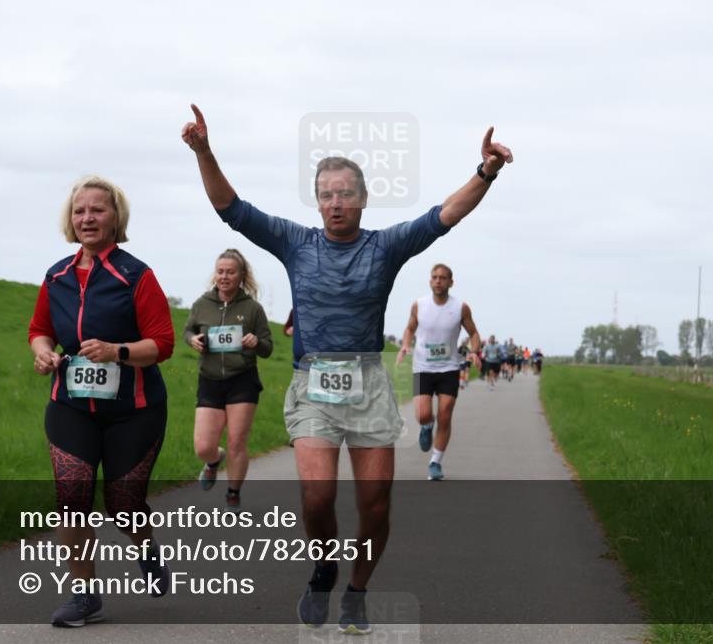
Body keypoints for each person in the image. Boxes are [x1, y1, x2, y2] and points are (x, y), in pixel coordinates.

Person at [181, 104, 513, 634]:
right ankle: (323, 569)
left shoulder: (385, 246)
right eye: (327, 193)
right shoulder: (295, 242)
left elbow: (444, 215)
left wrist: (485, 172)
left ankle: (356, 591)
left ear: (363, 198)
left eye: (346, 192)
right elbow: (231, 208)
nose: (336, 202)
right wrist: (203, 150)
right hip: (313, 382)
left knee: (375, 505)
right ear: (317, 201)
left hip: (368, 386)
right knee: (316, 496)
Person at [28, 175, 176, 627]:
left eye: (98, 209)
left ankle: (146, 551)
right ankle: (84, 595)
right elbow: (39, 330)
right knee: (72, 495)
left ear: (116, 218)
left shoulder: (136, 275)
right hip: (70, 406)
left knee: (123, 502)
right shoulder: (56, 276)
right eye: (79, 211)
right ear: (70, 220)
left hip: (134, 411)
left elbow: (164, 343)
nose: (87, 218)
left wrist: (118, 352)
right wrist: (43, 354)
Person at [184, 248, 273, 513]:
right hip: (210, 380)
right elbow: (188, 330)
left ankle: (233, 493)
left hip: (242, 380)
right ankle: (213, 461)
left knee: (237, 440)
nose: (224, 277)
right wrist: (193, 340)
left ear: (241, 275)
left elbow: (267, 347)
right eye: (220, 271)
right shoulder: (202, 304)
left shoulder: (252, 308)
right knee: (203, 446)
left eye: (230, 272)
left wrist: (256, 342)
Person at [396, 264, 480, 480]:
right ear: (430, 280)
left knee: (445, 414)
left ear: (451, 282)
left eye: (443, 278)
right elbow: (410, 328)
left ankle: (435, 462)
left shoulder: (461, 307)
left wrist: (474, 351)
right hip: (422, 367)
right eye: (434, 277)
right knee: (423, 414)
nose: (438, 281)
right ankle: (427, 426)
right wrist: (405, 344)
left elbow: (473, 333)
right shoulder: (419, 305)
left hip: (449, 368)